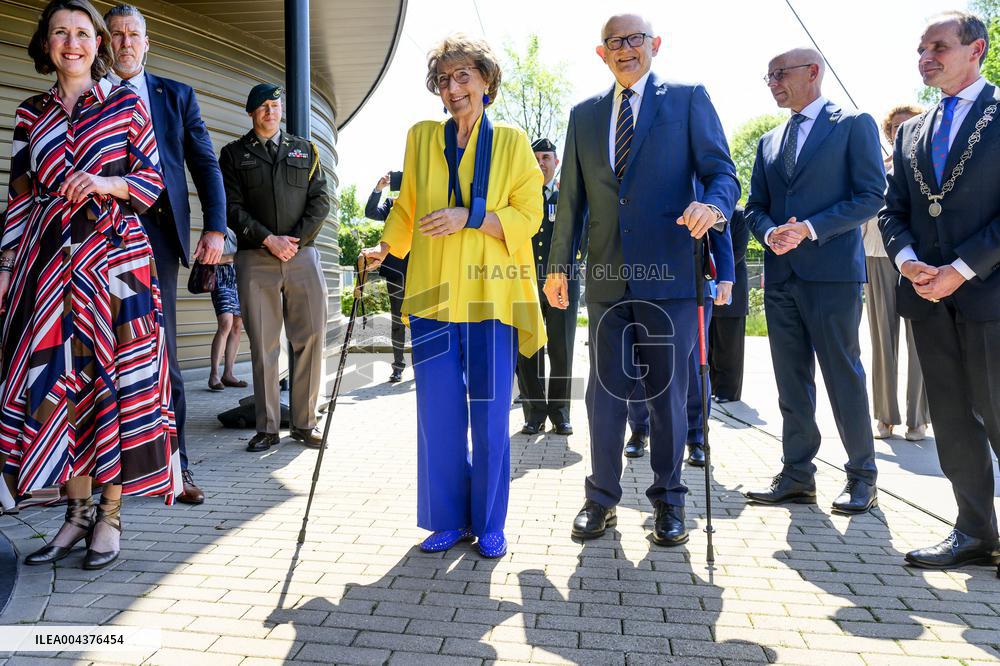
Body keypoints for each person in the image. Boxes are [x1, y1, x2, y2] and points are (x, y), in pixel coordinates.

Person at [544, 13, 739, 546]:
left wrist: (713, 206)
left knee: (667, 395)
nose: (625, 49)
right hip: (606, 277)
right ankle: (600, 499)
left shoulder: (688, 99)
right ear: (600, 52)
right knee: (603, 395)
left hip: (672, 274)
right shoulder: (584, 115)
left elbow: (724, 173)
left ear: (655, 44)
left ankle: (669, 502)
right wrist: (558, 266)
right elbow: (571, 204)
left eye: (634, 40)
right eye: (615, 42)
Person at [0, 0, 179, 569]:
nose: (71, 43)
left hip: (118, 268)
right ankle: (73, 520)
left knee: (121, 386)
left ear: (98, 42)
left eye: (82, 33)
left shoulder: (127, 104)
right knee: (60, 384)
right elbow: (20, 198)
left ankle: (111, 518)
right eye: (60, 33)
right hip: (48, 267)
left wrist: (103, 179)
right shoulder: (30, 114)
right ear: (46, 43)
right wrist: (5, 270)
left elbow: (151, 184)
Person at [361, 34, 544, 559]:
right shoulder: (422, 138)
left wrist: (472, 218)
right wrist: (384, 246)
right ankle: (446, 518)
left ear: (487, 81)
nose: (453, 87)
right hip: (434, 295)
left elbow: (529, 215)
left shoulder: (512, 142)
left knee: (488, 415)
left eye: (464, 75)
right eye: (444, 79)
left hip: (492, 296)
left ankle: (489, 523)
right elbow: (407, 205)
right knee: (438, 414)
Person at [879, 12, 1000, 571]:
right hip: (927, 298)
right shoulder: (910, 129)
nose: (926, 57)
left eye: (938, 47)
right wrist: (907, 262)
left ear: (976, 49)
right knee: (951, 419)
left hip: (988, 294)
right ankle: (975, 533)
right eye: (921, 48)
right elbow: (894, 209)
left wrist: (961, 268)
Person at [744, 48, 885, 515]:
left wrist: (810, 228)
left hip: (831, 277)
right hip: (782, 277)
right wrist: (768, 232)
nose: (773, 83)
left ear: (814, 72)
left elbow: (871, 195)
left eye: (779, 74)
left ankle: (863, 475)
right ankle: (797, 474)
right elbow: (754, 206)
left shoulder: (853, 124)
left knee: (843, 376)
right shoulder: (768, 141)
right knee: (791, 381)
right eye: (767, 77)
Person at [104, 3, 226, 505]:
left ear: (148, 42)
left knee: (162, 355)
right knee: (101, 356)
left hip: (156, 242)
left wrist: (216, 228)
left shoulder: (176, 96)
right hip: (100, 240)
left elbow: (203, 164)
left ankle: (177, 468)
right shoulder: (88, 98)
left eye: (135, 34)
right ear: (104, 43)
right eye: (117, 34)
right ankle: (102, 476)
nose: (126, 42)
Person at [219, 84, 331, 453]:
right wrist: (269, 239)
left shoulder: (306, 149)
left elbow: (320, 200)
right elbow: (232, 207)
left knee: (310, 338)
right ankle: (267, 427)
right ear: (251, 113)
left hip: (302, 256)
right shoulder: (234, 154)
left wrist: (294, 241)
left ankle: (304, 423)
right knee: (264, 344)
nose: (270, 112)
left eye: (275, 105)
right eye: (262, 107)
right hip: (256, 258)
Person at [623, 221, 735, 466]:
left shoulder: (701, 180)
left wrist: (726, 273)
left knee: (694, 364)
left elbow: (718, 219)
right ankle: (640, 428)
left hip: (691, 278)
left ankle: (696, 437)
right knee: (640, 359)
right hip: (644, 276)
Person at [861, 105, 931, 442]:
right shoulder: (876, 169)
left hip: (919, 259)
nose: (900, 132)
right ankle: (885, 416)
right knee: (881, 340)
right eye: (894, 128)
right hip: (877, 255)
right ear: (889, 135)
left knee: (919, 340)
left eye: (908, 126)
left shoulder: (930, 164)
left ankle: (918, 418)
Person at [517, 137, 582, 437]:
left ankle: (560, 412)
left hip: (562, 284)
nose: (541, 162)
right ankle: (534, 414)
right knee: (529, 349)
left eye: (546, 157)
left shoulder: (567, 195)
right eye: (536, 157)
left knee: (561, 348)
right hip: (525, 284)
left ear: (557, 162)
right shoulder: (520, 197)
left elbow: (583, 231)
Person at [365, 173, 409, 383]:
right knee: (397, 320)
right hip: (395, 270)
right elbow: (371, 212)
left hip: (421, 268)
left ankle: (422, 366)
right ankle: (398, 367)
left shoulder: (424, 202)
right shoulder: (392, 204)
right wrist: (379, 188)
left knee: (422, 320)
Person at [709, 206, 750, 403]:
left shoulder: (739, 215)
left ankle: (728, 392)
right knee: (710, 346)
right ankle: (711, 387)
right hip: (707, 287)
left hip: (732, 289)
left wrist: (715, 269)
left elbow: (738, 251)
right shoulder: (705, 210)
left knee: (729, 348)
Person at [208, 228, 247, 392]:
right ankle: (214, 375)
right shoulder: (218, 225)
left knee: (237, 325)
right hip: (222, 277)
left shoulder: (244, 226)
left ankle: (228, 374)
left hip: (240, 276)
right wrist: (237, 257)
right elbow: (210, 258)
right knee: (225, 323)